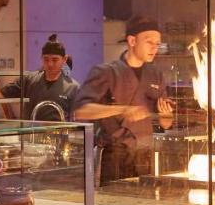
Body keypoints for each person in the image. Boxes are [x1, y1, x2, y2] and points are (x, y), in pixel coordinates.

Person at [74, 16, 174, 184]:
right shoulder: (106, 72)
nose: (154, 48)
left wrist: (167, 115)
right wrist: (122, 110)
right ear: (132, 41)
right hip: (116, 155)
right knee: (116, 199)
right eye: (149, 42)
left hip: (145, 155)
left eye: (157, 44)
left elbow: (166, 124)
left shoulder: (156, 74)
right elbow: (81, 111)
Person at [0, 34, 79, 120]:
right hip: (30, 128)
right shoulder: (29, 80)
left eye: (55, 60)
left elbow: (77, 119)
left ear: (64, 59)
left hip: (60, 129)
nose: (50, 64)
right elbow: (2, 93)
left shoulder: (73, 88)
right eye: (46, 59)